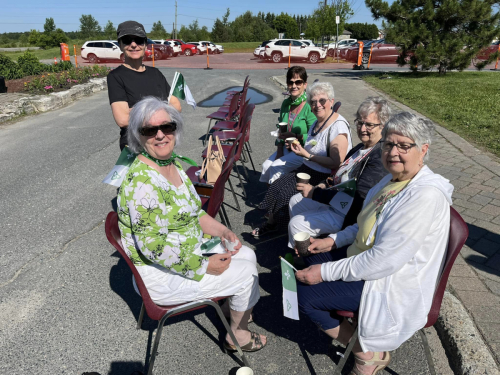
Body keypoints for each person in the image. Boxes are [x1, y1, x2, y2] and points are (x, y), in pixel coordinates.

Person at [295, 112, 453, 375]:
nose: (393, 152)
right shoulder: (391, 180)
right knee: (309, 257)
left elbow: (384, 261)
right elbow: (364, 223)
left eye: (404, 146)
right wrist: (331, 241)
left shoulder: (423, 196)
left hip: (389, 280)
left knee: (306, 296)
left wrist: (324, 273)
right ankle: (357, 328)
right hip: (368, 260)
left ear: (423, 150)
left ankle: (366, 353)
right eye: (389, 144)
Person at [117, 97, 266, 352]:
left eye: (168, 127)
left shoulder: (169, 163)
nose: (161, 135)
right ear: (137, 136)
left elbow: (195, 212)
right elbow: (153, 247)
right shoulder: (141, 182)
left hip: (185, 250)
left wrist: (223, 231)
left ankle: (234, 308)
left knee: (247, 253)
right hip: (161, 276)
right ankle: (237, 336)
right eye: (149, 130)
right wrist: (204, 265)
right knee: (247, 275)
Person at [288, 97, 391, 249]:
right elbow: (341, 172)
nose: (362, 129)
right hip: (336, 200)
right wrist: (325, 183)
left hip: (347, 213)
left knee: (296, 224)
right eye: (360, 122)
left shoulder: (378, 156)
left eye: (369, 125)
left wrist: (315, 193)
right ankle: (301, 246)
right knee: (295, 201)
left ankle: (303, 258)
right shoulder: (360, 147)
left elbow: (358, 199)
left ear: (383, 126)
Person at [252, 81, 352, 237]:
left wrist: (308, 155)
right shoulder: (318, 122)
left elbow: (336, 162)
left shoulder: (337, 127)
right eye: (313, 102)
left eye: (322, 101)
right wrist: (297, 144)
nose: (317, 105)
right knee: (277, 186)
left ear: (331, 102)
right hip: (307, 169)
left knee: (286, 196)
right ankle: (273, 224)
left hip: (323, 176)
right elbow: (312, 144)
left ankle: (290, 233)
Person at [107, 20, 182, 151]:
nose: (134, 45)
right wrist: (162, 108)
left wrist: (136, 110)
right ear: (120, 45)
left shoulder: (155, 73)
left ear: (145, 44)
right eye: (127, 40)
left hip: (162, 141)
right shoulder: (116, 77)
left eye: (139, 40)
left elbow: (176, 107)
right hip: (136, 145)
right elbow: (123, 119)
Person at [259, 66, 317, 184]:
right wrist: (279, 149)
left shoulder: (309, 106)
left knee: (276, 168)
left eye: (298, 82)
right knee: (266, 166)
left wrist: (297, 136)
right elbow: (281, 129)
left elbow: (315, 137)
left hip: (304, 150)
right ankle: (271, 196)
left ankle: (273, 200)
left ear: (305, 84)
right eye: (290, 82)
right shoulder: (286, 103)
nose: (294, 85)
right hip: (288, 148)